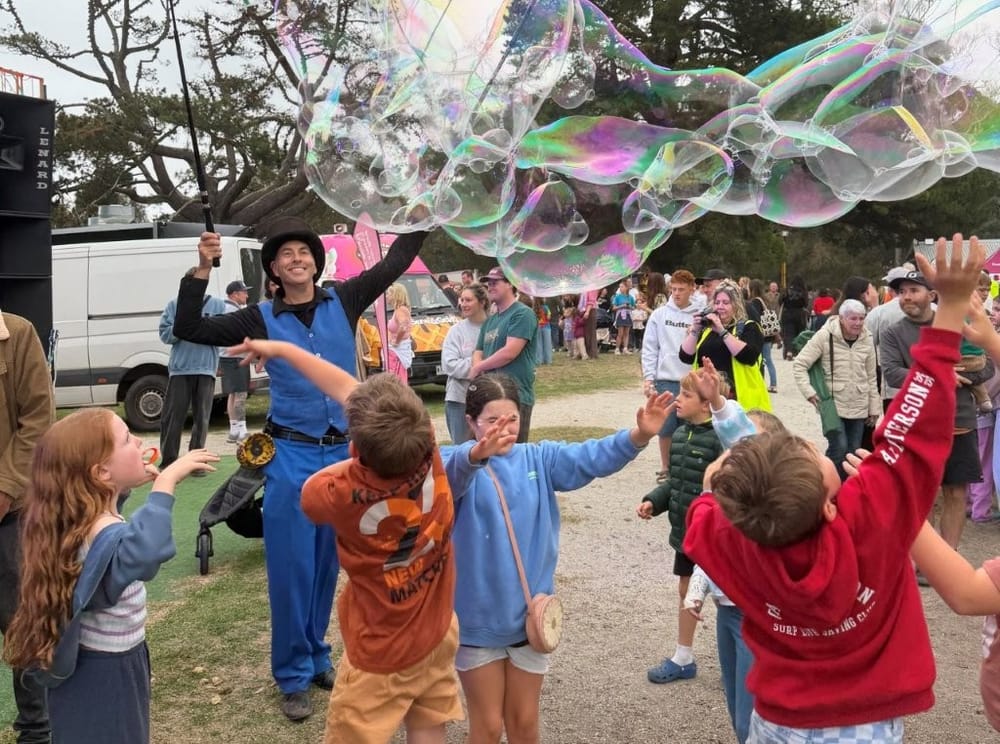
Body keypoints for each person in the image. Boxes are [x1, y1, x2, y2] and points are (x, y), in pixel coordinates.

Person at [684, 234, 983, 742]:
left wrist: (720, 462)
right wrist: (951, 307)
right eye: (813, 457)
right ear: (828, 508)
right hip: (867, 727)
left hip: (777, 722)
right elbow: (917, 426)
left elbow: (710, 503)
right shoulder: (867, 514)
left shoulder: (730, 536)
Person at [170, 216, 427, 720]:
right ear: (274, 268)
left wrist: (427, 215)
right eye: (285, 253)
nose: (297, 258)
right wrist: (201, 267)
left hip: (344, 456)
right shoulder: (259, 318)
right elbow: (190, 328)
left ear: (315, 262)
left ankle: (315, 657)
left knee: (329, 565)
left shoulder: (345, 299)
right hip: (290, 457)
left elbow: (397, 261)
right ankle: (290, 674)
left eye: (303, 252)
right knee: (292, 567)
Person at [230, 339, 463, 744]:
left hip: (382, 651)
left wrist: (280, 350)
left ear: (355, 448)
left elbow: (314, 489)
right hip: (439, 629)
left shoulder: (332, 492)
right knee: (428, 724)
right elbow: (346, 390)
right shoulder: (426, 445)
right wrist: (284, 349)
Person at [444, 373, 673, 744]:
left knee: (525, 725)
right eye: (492, 421)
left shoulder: (539, 458)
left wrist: (639, 436)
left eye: (512, 419)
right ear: (470, 422)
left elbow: (590, 457)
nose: (504, 430)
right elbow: (442, 476)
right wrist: (474, 455)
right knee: (485, 728)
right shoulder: (456, 463)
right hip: (477, 624)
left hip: (531, 619)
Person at [2, 408, 218, 743]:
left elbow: (108, 520)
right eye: (127, 439)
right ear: (101, 472)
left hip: (100, 665)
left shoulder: (79, 518)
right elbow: (147, 551)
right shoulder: (102, 532)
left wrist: (123, 488)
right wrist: (165, 484)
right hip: (106, 671)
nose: (138, 442)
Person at [880, 268, 994, 554]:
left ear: (931, 295)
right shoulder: (893, 332)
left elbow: (986, 365)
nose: (906, 297)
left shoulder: (954, 326)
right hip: (919, 425)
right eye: (902, 291)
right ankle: (927, 561)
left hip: (960, 421)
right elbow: (893, 374)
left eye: (913, 290)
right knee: (923, 495)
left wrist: (967, 374)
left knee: (956, 491)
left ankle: (949, 555)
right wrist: (938, 374)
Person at [636, 372, 724, 685]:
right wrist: (653, 502)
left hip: (715, 537)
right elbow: (675, 481)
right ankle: (683, 656)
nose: (677, 400)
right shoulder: (679, 437)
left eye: (686, 396)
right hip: (685, 536)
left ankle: (746, 657)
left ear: (705, 404)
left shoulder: (720, 438)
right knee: (687, 591)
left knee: (728, 596)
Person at [0, 310, 55, 744]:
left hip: (11, 512)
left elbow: (37, 420)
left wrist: (3, 491)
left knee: (26, 623)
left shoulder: (16, 333)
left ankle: (36, 731)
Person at [792, 299, 880, 481]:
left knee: (852, 452)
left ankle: (842, 491)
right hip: (833, 404)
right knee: (839, 447)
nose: (858, 323)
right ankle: (827, 485)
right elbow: (800, 363)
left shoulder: (867, 339)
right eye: (853, 319)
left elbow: (872, 376)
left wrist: (874, 408)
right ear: (841, 318)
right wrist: (809, 392)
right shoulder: (825, 336)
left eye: (861, 318)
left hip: (859, 403)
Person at [157, 272, 226, 469]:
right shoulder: (173, 305)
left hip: (206, 369)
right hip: (180, 369)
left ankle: (196, 463)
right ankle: (169, 461)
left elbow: (222, 333)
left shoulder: (218, 305)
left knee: (202, 419)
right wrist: (181, 327)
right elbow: (165, 335)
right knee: (172, 418)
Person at [641, 269, 702, 481]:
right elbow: (650, 347)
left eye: (681, 290)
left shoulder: (699, 315)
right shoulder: (659, 314)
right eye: (674, 289)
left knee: (690, 425)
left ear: (691, 289)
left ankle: (686, 466)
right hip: (665, 377)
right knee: (665, 427)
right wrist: (649, 377)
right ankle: (666, 467)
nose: (676, 294)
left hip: (690, 380)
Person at [679, 283, 771, 412]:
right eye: (717, 303)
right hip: (707, 397)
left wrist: (722, 331)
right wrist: (695, 330)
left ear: (735, 305)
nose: (720, 307)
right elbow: (685, 356)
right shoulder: (706, 331)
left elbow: (748, 356)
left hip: (738, 399)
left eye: (725, 303)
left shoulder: (749, 327)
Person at [471, 267, 538, 443]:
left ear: (510, 284)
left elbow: (510, 352)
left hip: (516, 395)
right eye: (489, 283)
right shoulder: (490, 321)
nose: (490, 286)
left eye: (495, 282)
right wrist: (477, 367)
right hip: (491, 396)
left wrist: (479, 367)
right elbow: (478, 350)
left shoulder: (522, 314)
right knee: (490, 453)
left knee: (513, 454)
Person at [442, 283, 489, 444]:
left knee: (488, 450)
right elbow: (449, 365)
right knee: (462, 451)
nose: (463, 304)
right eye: (462, 300)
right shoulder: (456, 331)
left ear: (482, 302)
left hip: (490, 398)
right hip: (460, 400)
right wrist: (480, 363)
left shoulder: (493, 328)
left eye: (468, 300)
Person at [865, 267, 908, 411]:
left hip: (892, 388)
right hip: (928, 387)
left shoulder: (878, 313)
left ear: (890, 289)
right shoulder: (933, 309)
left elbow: (866, 345)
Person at [220, 279, 253, 443]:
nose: (246, 294)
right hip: (235, 357)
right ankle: (242, 431)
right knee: (240, 393)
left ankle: (234, 430)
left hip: (226, 356)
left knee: (233, 394)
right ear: (234, 294)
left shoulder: (226, 308)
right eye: (243, 292)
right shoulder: (232, 311)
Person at [748, 279, 779, 393]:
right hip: (768, 335)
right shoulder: (765, 299)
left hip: (762, 335)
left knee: (764, 360)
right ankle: (773, 383)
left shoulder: (755, 301)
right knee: (767, 359)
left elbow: (755, 317)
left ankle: (771, 384)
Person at [386, 282, 414, 383]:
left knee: (397, 381)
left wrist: (396, 341)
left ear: (395, 295)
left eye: (388, 294)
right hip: (395, 351)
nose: (386, 296)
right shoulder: (398, 310)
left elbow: (403, 327)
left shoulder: (400, 311)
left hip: (398, 352)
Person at [779, 276, 809, 360]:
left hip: (787, 313)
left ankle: (789, 351)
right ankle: (799, 351)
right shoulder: (803, 291)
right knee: (800, 333)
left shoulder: (787, 290)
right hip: (800, 314)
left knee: (788, 334)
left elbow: (780, 301)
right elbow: (806, 303)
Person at [611, 281, 635, 354]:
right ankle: (617, 348)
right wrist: (622, 306)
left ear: (626, 288)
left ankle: (625, 348)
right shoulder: (617, 297)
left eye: (622, 287)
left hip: (628, 315)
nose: (620, 288)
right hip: (620, 315)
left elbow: (633, 307)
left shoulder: (630, 297)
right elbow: (614, 308)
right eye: (620, 287)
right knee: (620, 333)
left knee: (627, 333)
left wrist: (629, 306)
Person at [577, 289, 599, 360]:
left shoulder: (592, 288)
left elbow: (591, 301)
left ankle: (592, 353)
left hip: (590, 310)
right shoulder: (584, 288)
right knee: (585, 333)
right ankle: (585, 352)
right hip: (583, 310)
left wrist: (587, 311)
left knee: (590, 332)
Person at [532, 297, 553, 365]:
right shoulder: (546, 307)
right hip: (546, 326)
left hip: (537, 327)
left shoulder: (534, 309)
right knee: (547, 344)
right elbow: (549, 317)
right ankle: (548, 360)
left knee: (538, 344)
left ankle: (539, 360)